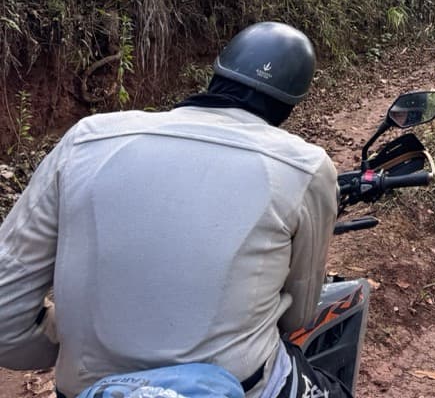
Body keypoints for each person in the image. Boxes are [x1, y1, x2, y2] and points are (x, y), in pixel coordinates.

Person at [0, 22, 345, 398]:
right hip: (240, 388)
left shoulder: (87, 139)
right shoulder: (305, 166)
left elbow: (5, 314)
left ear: (217, 72)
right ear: (291, 104)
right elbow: (299, 316)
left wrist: (76, 341)